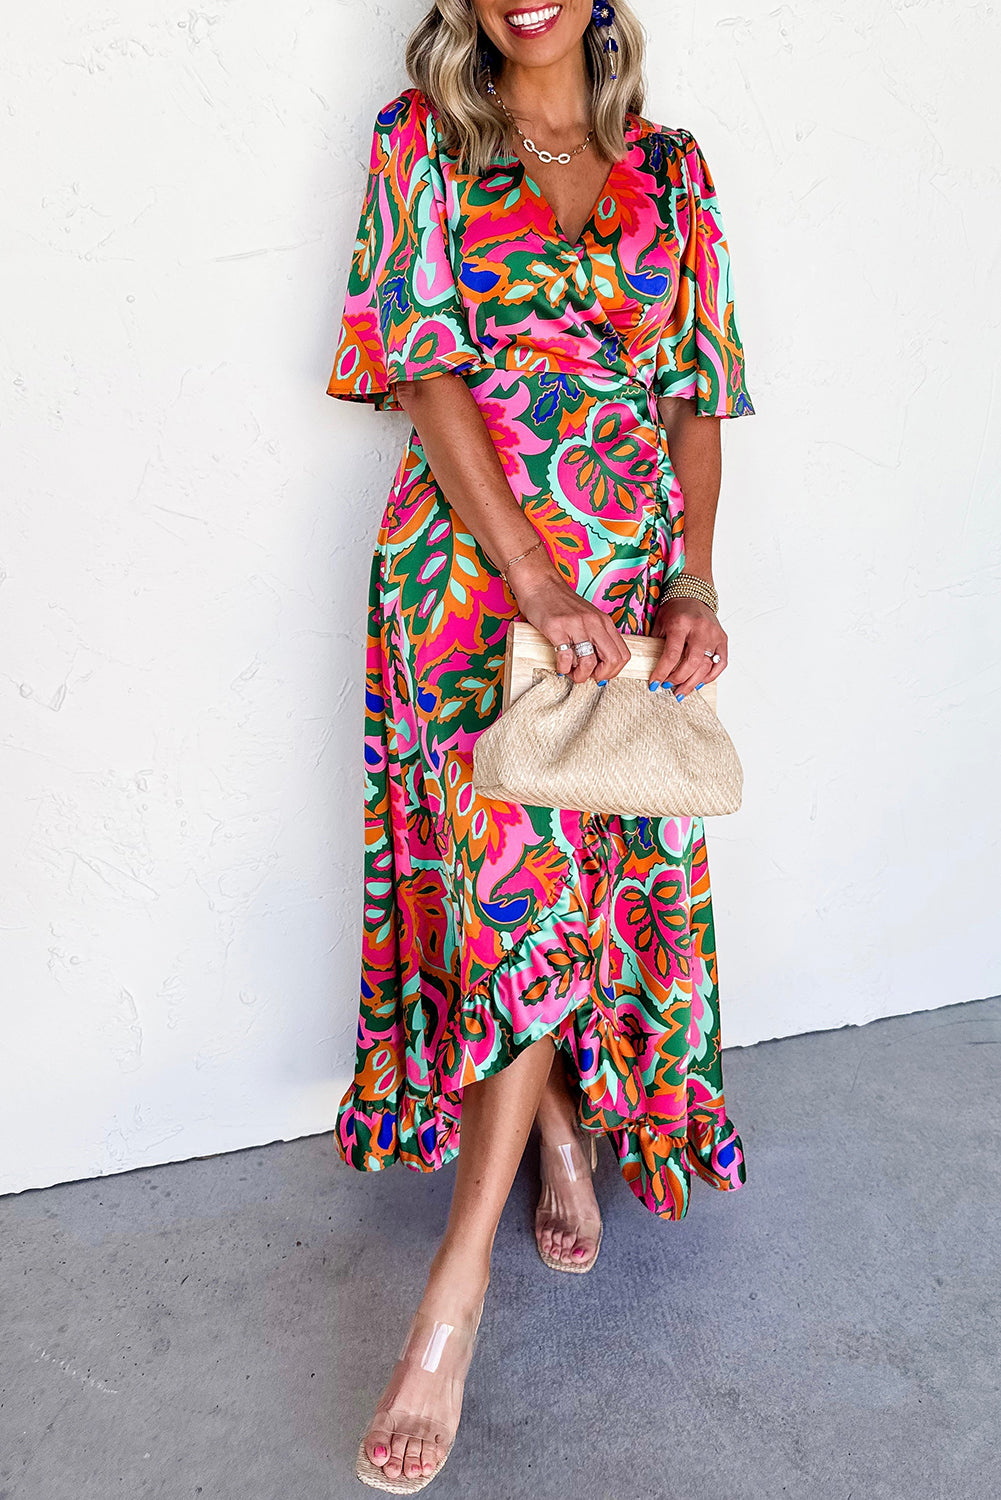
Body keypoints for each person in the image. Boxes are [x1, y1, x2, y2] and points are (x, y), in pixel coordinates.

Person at [325, 0, 755, 1488]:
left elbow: (699, 392)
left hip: (627, 597)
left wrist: (689, 584)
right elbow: (420, 364)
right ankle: (452, 1300)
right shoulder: (422, 145)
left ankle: (559, 1124)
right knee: (516, 891)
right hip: (471, 586)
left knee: (578, 889)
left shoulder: (675, 168)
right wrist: (528, 574)